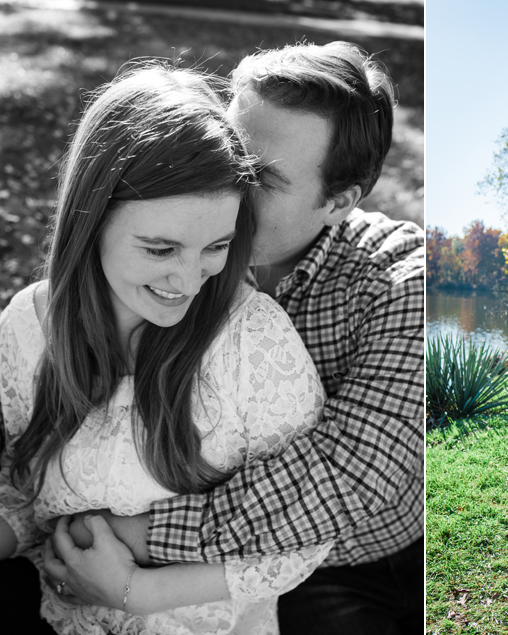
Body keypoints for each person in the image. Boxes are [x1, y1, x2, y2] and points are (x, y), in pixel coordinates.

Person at [48, 41, 425, 634]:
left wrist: (141, 536)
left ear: (339, 201)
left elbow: (352, 472)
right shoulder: (179, 264)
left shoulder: (400, 281)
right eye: (230, 151)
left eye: (263, 178)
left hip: (382, 548)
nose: (226, 185)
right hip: (275, 571)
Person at [0, 64, 332, 633]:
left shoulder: (253, 342)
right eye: (160, 249)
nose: (187, 280)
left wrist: (136, 592)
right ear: (91, 219)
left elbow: (304, 532)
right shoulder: (29, 325)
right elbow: (26, 491)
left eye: (216, 246)